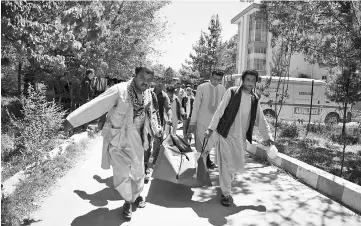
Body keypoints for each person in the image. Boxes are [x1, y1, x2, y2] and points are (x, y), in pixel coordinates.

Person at [64, 67, 161, 220]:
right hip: (119, 140)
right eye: (142, 77)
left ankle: (135, 196)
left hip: (139, 139)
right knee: (121, 174)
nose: (146, 82)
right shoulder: (119, 90)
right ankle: (128, 201)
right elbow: (97, 105)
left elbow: (152, 114)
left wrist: (156, 130)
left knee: (138, 172)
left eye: (149, 80)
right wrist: (72, 120)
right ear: (134, 76)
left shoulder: (148, 93)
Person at [205, 70, 274, 207]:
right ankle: (225, 193)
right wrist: (210, 128)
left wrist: (268, 137)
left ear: (255, 82)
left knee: (233, 167)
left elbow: (261, 119)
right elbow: (220, 110)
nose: (249, 83)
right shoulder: (232, 92)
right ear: (243, 80)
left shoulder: (254, 99)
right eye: (247, 79)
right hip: (225, 134)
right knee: (227, 165)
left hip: (240, 138)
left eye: (252, 80)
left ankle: (225, 184)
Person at [188, 69, 226, 169]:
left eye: (219, 80)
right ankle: (202, 168)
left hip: (214, 124)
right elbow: (196, 106)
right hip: (201, 122)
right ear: (210, 77)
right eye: (214, 78)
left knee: (209, 145)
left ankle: (205, 163)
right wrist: (192, 123)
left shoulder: (222, 89)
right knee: (201, 146)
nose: (216, 81)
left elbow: (223, 107)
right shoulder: (202, 87)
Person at [152, 78, 172, 164]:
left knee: (157, 142)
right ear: (155, 82)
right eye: (159, 82)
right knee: (146, 144)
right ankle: (145, 163)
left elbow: (168, 108)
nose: (160, 84)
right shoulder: (148, 92)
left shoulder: (164, 96)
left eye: (162, 82)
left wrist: (169, 118)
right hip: (146, 123)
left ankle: (155, 160)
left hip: (158, 124)